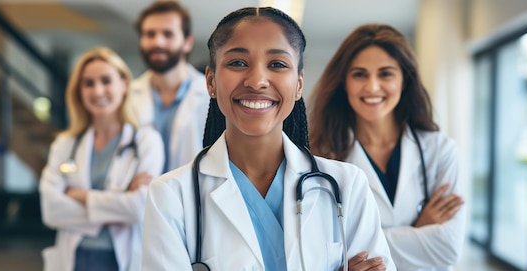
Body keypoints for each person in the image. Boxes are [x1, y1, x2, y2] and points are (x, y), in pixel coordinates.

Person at [141, 7, 396, 271]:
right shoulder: (171, 196)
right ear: (211, 81)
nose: (257, 81)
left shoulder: (346, 185)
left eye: (277, 64)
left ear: (298, 85)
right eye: (238, 63)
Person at [308, 24, 466, 271]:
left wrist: (365, 241)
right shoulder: (320, 157)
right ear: (344, 83)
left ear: (404, 80)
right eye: (359, 74)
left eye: (386, 74)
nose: (372, 87)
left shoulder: (439, 150)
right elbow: (319, 249)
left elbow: (448, 249)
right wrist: (417, 230)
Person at [39, 47, 164, 271]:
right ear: (79, 91)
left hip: (121, 259)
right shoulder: (65, 144)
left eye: (106, 81)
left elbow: (138, 208)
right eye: (88, 83)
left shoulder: (146, 141)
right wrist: (118, 201)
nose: (97, 91)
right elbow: (51, 210)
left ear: (124, 84)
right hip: (74, 258)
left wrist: (80, 196)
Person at [131, 0, 210, 173]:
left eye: (168, 34)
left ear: (187, 42)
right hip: (140, 198)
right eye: (150, 34)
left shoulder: (210, 96)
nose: (158, 42)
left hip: (191, 196)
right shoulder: (127, 95)